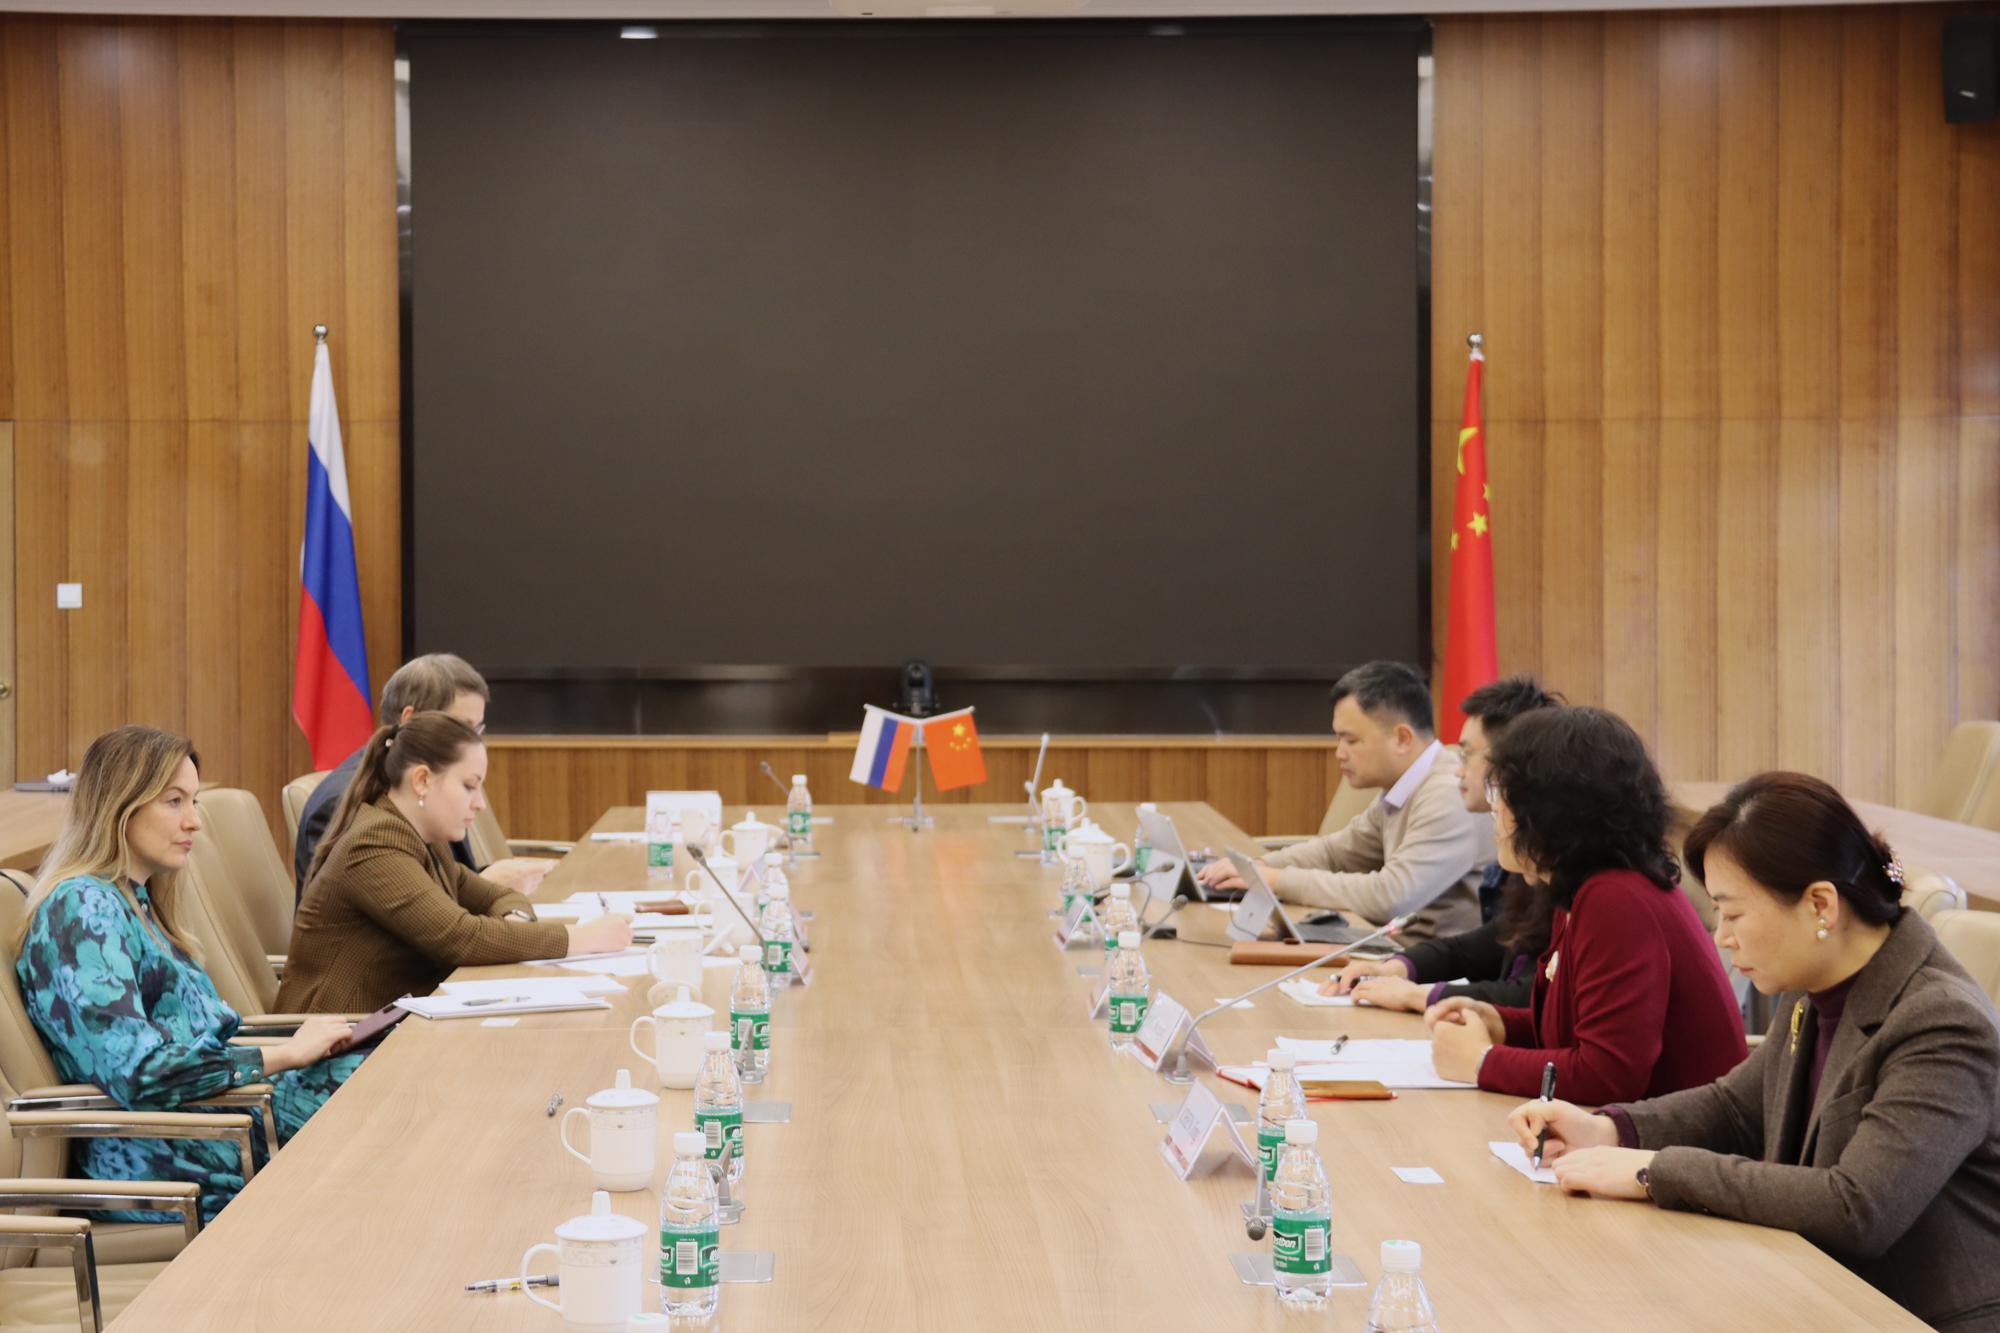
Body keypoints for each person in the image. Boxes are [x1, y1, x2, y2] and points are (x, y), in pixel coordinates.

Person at [1510, 773, 2000, 1333]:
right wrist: (1607, 1130)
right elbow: (1737, 1108)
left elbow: (1858, 1208)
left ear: (1820, 905)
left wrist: (1654, 1170)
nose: (1722, 936)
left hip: (1910, 1315)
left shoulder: (1941, 1021)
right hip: (1814, 1289)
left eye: (1734, 913)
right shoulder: (1816, 982)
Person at [16, 727, 365, 1222]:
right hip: (165, 1154)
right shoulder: (81, 911)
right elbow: (140, 1072)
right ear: (120, 805)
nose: (194, 821)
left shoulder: (133, 900)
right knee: (384, 1111)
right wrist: (286, 1054)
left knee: (383, 1078)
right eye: (174, 801)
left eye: (194, 801)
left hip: (215, 1119)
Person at [1425, 706, 1746, 1099]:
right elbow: (1576, 1034)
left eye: (1503, 792)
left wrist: (1480, 1061)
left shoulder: (1617, 900)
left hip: (1682, 1134)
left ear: (1549, 809)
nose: (1494, 807)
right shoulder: (1582, 888)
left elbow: (1606, 1075)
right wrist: (1499, 1024)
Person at [278, 712, 633, 1014]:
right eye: (469, 786)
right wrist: (582, 938)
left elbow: (497, 896)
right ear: (422, 780)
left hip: (390, 1025)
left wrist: (515, 924)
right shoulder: (374, 843)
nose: (479, 803)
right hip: (337, 1046)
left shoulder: (420, 835)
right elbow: (460, 937)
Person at [1196, 661, 1490, 942]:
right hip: (1390, 946)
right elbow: (1335, 854)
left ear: (1402, 739)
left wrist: (1275, 879)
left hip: (1423, 962)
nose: (1340, 753)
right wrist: (1257, 866)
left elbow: (1389, 897)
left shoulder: (1449, 793)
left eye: (1350, 740)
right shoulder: (1402, 787)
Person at [1319, 675, 1560, 1010]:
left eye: (1467, 755)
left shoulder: (1572, 884)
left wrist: (1416, 995)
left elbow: (1530, 999)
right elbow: (1477, 946)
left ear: (1518, 769)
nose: (1457, 771)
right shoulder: (1530, 872)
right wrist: (1395, 968)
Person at [293, 653, 552, 897]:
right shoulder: (348, 801)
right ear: (411, 720)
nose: (473, 742)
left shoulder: (439, 781)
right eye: (462, 728)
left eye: (477, 730)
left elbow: (445, 881)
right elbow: (399, 905)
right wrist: (489, 886)